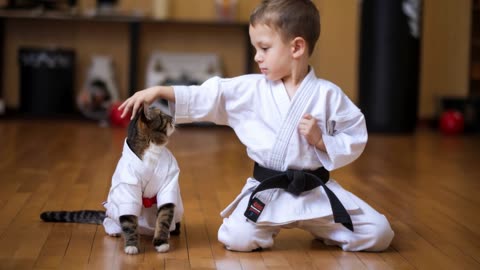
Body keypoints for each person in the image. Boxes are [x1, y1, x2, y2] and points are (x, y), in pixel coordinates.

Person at [119, 0, 394, 252]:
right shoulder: (252, 89)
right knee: (236, 238)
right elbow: (212, 94)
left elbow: (355, 133)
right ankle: (274, 229)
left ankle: (324, 228)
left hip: (315, 193)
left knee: (379, 233)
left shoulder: (328, 95)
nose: (256, 57)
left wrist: (321, 140)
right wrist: (159, 90)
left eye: (264, 48)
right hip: (269, 191)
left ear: (296, 47)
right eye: (255, 49)